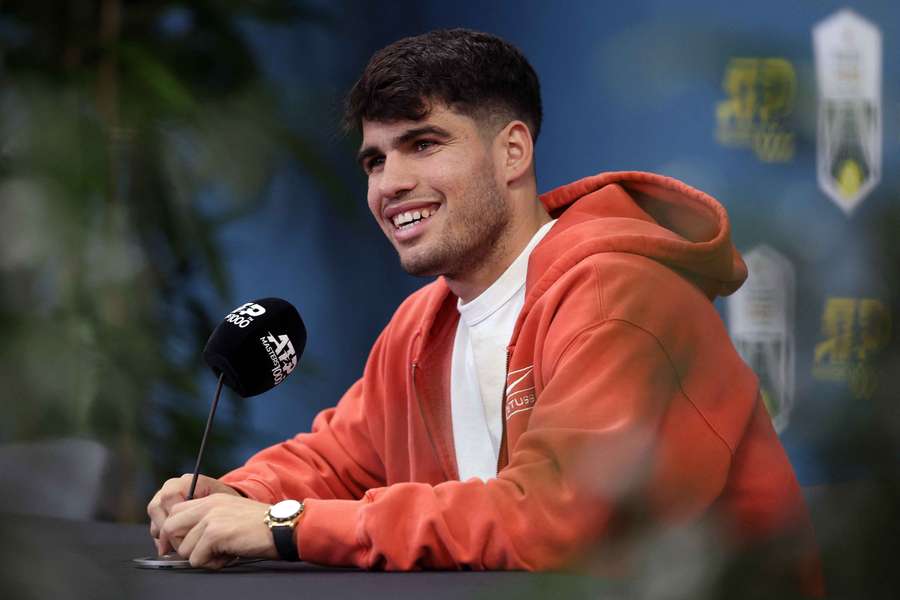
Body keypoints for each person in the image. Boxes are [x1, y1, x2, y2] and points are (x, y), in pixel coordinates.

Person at [147, 29, 822, 592]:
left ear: (513, 152)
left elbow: (554, 521)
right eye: (374, 160)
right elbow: (343, 458)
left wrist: (288, 526)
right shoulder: (421, 323)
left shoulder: (623, 298)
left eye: (424, 143)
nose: (391, 184)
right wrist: (238, 496)